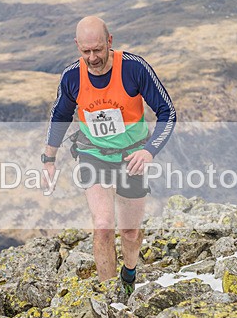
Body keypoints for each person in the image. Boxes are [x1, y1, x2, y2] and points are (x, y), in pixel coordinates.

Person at [43, 16, 176, 294]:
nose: (92, 58)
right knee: (103, 225)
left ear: (110, 42)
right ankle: (109, 295)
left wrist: (149, 151)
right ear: (77, 46)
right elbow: (60, 116)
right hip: (93, 154)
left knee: (129, 232)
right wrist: (49, 159)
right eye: (85, 51)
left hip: (132, 157)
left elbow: (168, 112)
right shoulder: (72, 77)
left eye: (98, 50)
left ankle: (128, 274)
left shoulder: (133, 68)